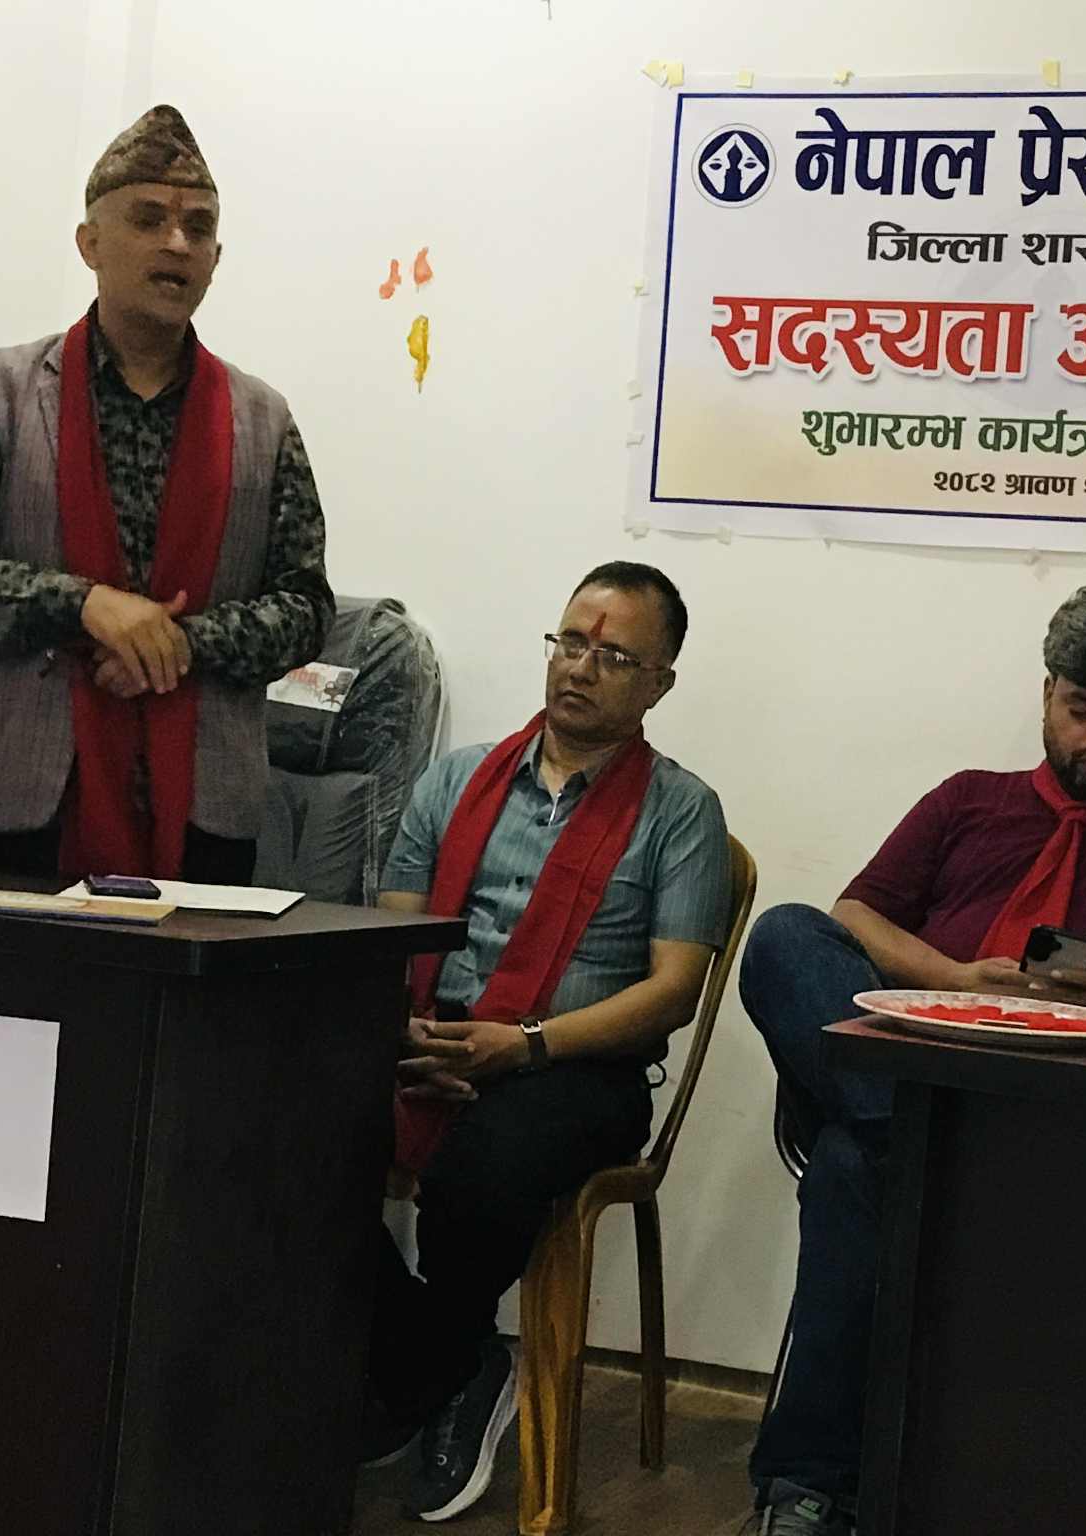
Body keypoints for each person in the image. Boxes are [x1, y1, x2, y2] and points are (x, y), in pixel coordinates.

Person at [742, 583, 1086, 1535]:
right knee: (785, 935)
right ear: (1045, 695)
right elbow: (855, 916)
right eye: (1081, 708)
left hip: (1082, 1109)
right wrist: (955, 976)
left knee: (852, 1167)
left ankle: (810, 1482)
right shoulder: (969, 799)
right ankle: (909, 1129)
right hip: (933, 1064)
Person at [367, 561, 730, 1523]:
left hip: (575, 1067)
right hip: (432, 1036)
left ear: (659, 684)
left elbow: (673, 991)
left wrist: (522, 1045)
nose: (580, 668)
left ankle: (420, 1376)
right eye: (571, 642)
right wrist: (408, 1030)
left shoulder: (682, 811)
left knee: (483, 1168)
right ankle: (456, 1363)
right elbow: (393, 933)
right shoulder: (456, 780)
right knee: (280, 1139)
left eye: (614, 657)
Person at [0, 105, 333, 884]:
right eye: (149, 218)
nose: (177, 243)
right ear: (90, 243)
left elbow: (306, 608)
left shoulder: (263, 420)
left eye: (198, 227)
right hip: (22, 808)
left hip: (204, 816)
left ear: (216, 258)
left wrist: (179, 644)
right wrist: (85, 606)